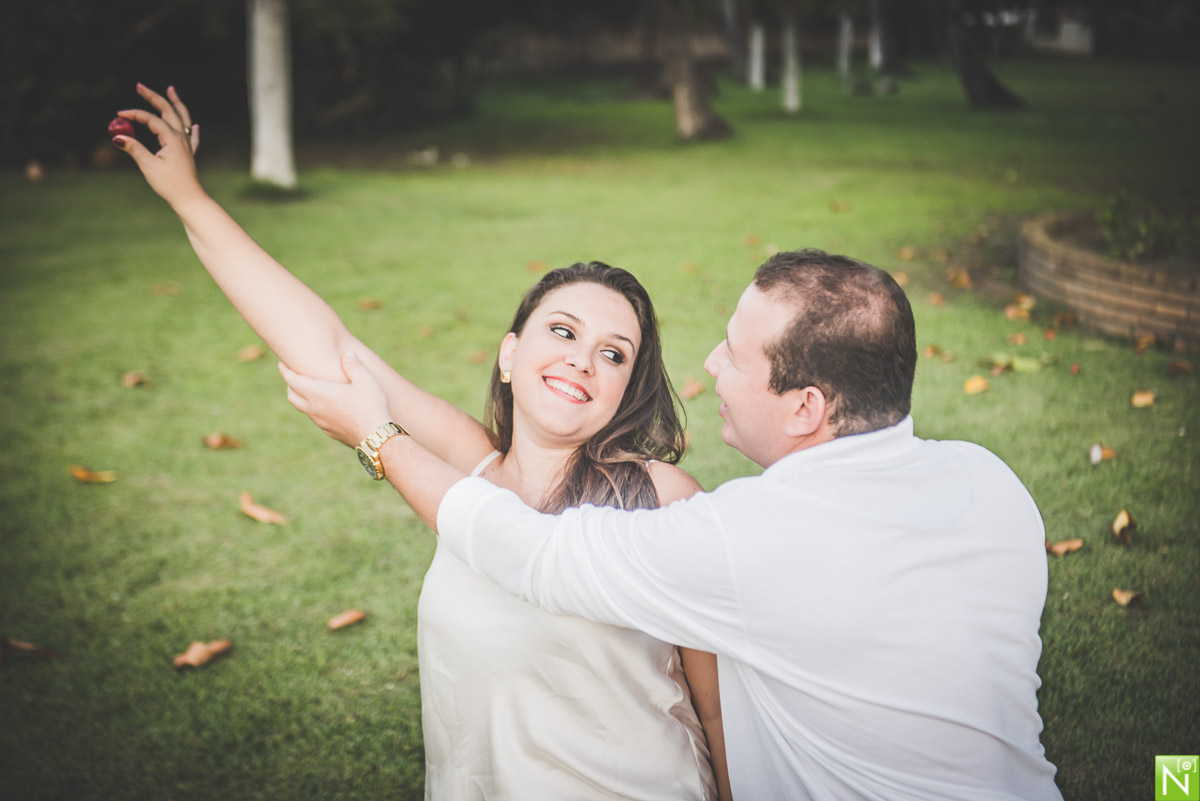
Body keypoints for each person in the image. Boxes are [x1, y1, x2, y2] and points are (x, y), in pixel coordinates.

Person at [113, 84, 727, 801]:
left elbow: (714, 697)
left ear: (627, 386)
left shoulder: (664, 498)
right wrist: (190, 198)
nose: (582, 360)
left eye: (614, 352)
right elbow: (328, 343)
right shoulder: (471, 464)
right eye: (562, 330)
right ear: (509, 354)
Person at [284, 249, 1066, 801]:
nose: (711, 365)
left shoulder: (738, 534)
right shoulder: (990, 481)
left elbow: (527, 550)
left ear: (806, 407)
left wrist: (376, 439)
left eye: (735, 353)